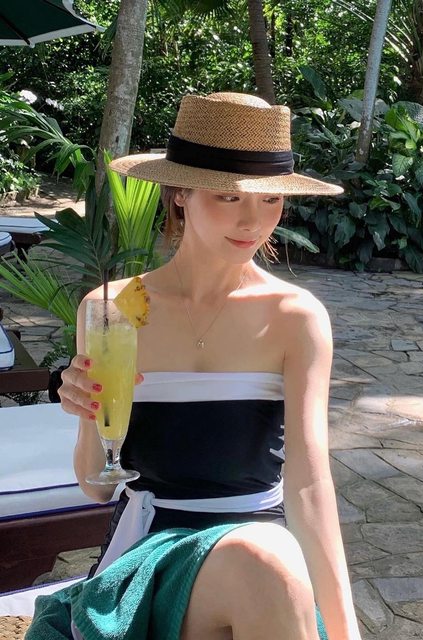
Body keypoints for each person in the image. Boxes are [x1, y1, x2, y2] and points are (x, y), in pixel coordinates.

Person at [26, 92, 362, 640]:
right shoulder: (113, 310)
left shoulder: (295, 317)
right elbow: (96, 486)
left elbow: (309, 484)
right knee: (266, 564)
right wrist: (86, 412)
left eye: (271, 199)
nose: (253, 220)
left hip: (260, 550)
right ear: (179, 193)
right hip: (149, 551)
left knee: (266, 560)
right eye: (228, 196)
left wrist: (345, 629)